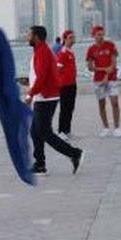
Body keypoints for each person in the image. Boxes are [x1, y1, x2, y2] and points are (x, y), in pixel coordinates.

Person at [26, 25, 83, 176]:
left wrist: (30, 94)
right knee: (35, 131)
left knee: (44, 132)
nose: (27, 37)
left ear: (37, 37)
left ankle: (74, 153)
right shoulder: (40, 51)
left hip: (46, 97)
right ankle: (40, 164)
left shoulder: (43, 52)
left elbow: (42, 77)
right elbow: (40, 74)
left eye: (29, 35)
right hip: (43, 96)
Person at [86, 25, 121, 137]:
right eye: (98, 35)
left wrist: (107, 76)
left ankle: (117, 128)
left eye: (102, 34)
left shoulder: (110, 45)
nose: (101, 37)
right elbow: (90, 67)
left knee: (115, 102)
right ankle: (105, 127)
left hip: (111, 78)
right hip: (98, 80)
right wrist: (102, 70)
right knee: (101, 104)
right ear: (93, 36)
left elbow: (113, 63)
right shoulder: (91, 49)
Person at [56, 30, 78, 139]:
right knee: (64, 108)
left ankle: (67, 130)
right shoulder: (63, 53)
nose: (73, 39)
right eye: (70, 38)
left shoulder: (71, 52)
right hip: (64, 85)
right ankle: (61, 131)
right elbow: (58, 68)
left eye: (73, 37)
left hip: (72, 84)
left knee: (70, 108)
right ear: (65, 39)